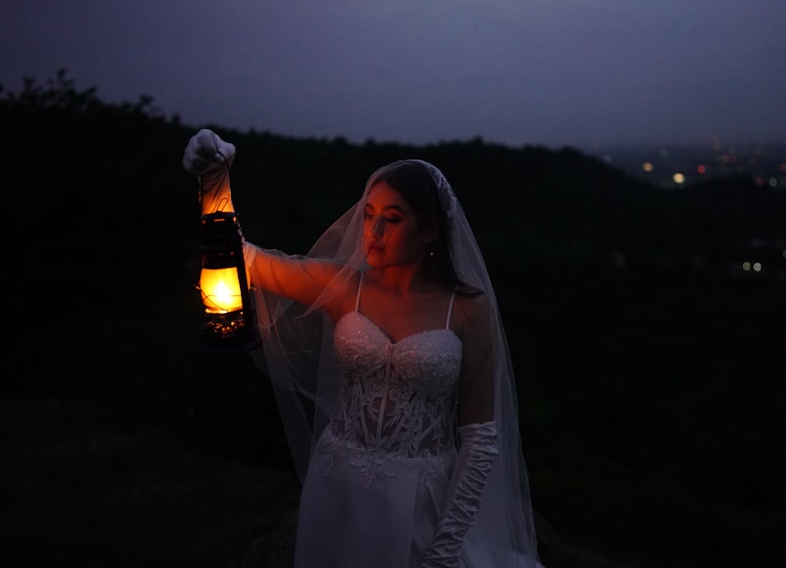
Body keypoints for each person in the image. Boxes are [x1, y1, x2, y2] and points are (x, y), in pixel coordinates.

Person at [183, 129, 545, 568]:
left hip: (422, 496)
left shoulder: (466, 308)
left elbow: (481, 438)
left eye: (391, 219)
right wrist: (214, 179)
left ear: (429, 229)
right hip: (338, 484)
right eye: (368, 213)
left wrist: (445, 549)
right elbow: (241, 257)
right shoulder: (342, 286)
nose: (371, 232)